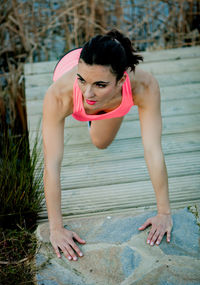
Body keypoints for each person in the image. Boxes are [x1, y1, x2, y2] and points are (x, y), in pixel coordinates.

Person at [42, 29, 173, 262]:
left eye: (100, 85)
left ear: (123, 79)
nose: (88, 93)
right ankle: (102, 96)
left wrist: (164, 212)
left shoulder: (144, 85)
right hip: (71, 64)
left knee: (100, 142)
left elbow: (153, 150)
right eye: (82, 81)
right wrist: (56, 228)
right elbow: (52, 164)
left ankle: (114, 104)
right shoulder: (59, 95)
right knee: (94, 128)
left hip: (116, 87)